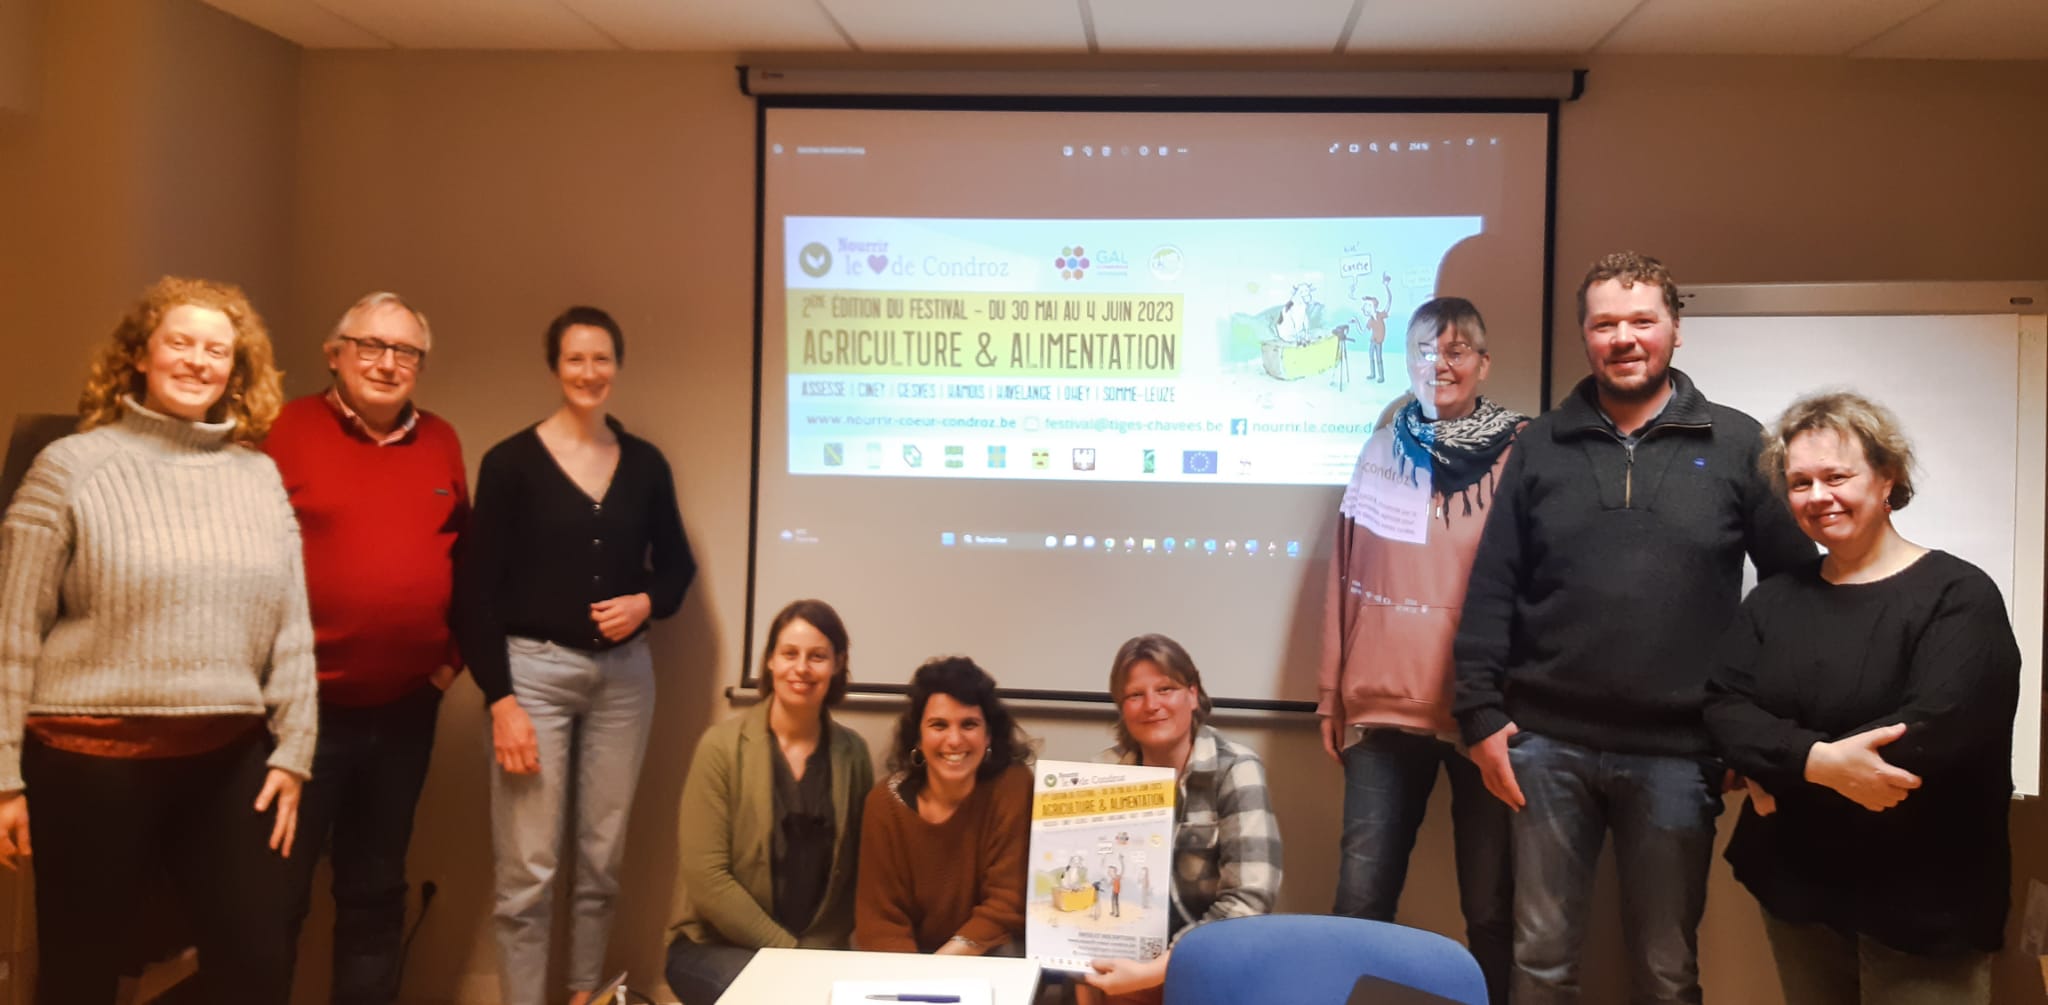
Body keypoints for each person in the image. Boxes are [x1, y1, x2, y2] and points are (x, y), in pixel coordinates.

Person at [1453, 251, 1815, 1004]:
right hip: (1545, 746)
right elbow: (1492, 584)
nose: (1623, 338)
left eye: (1642, 321)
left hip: (1681, 754)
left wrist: (1756, 730)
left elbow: (1792, 595)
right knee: (1540, 964)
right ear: (1585, 336)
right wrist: (1480, 714)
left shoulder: (1740, 444)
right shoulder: (1540, 444)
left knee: (1666, 970)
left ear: (1675, 329)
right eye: (1605, 324)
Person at [0, 276, 315, 1003]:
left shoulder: (259, 477)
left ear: (236, 371)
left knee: (255, 968)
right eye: (180, 342)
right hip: (88, 758)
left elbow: (291, 624)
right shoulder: (70, 467)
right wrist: (4, 776)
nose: (198, 361)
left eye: (217, 350)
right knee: (81, 974)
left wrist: (294, 751)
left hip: (229, 756)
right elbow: (14, 630)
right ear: (140, 355)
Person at [1705, 392, 2020, 1005]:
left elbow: (1935, 735)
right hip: (1798, 889)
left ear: (1887, 478)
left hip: (1925, 901)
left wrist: (1779, 765)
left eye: (1836, 476)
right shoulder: (1773, 601)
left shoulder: (1959, 596)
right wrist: (1815, 761)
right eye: (1800, 482)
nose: (1817, 496)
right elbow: (1724, 707)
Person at [456, 305, 697, 1005]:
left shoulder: (645, 464)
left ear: (617, 366)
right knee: (527, 870)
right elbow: (475, 592)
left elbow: (677, 568)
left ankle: (585, 996)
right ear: (554, 367)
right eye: (575, 359)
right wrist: (502, 701)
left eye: (601, 359)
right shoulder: (510, 463)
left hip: (625, 682)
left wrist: (645, 603)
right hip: (532, 676)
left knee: (601, 862)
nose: (590, 372)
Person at [1320, 297, 1524, 1005]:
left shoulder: (1523, 452)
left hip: (1486, 717)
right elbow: (1343, 572)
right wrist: (1329, 690)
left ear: (1483, 363)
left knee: (1492, 911)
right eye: (1425, 351)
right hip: (1383, 711)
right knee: (1359, 903)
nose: (1440, 364)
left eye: (1457, 350)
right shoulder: (1380, 451)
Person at [266, 291, 468, 1004]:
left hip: (405, 712)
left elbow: (467, 557)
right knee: (275, 896)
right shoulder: (282, 431)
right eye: (371, 346)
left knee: (376, 892)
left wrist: (447, 666)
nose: (388, 363)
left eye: (405, 351)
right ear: (335, 354)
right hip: (299, 716)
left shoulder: (441, 440)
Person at [666, 599, 874, 1003]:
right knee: (782, 998)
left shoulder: (854, 755)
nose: (802, 668)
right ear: (770, 661)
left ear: (837, 664)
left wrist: (813, 955)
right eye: (790, 654)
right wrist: (788, 954)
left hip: (818, 951)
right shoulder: (721, 747)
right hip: (716, 946)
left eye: (817, 657)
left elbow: (858, 871)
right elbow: (708, 877)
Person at [1078, 634, 1282, 1005]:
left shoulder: (1236, 769)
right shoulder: (1103, 774)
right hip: (1123, 967)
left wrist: (1157, 971)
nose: (1151, 705)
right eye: (1135, 695)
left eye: (1165, 689)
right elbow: (1089, 889)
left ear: (1192, 694)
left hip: (1211, 969)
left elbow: (1249, 900)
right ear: (1122, 707)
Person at [854, 656, 1032, 956]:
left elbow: (1006, 904)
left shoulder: (1013, 786)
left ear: (988, 736)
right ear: (919, 737)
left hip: (990, 954)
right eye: (939, 725)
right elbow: (881, 923)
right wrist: (915, 979)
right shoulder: (884, 805)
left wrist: (939, 968)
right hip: (906, 962)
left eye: (969, 724)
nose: (954, 740)